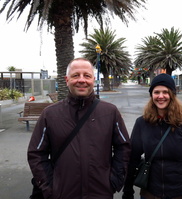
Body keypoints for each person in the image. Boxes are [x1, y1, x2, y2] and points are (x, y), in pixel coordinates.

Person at [28, 58, 131, 199]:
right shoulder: (50, 114)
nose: (81, 80)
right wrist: (50, 186)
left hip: (101, 193)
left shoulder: (110, 112)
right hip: (62, 194)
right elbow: (36, 153)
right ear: (67, 79)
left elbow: (124, 147)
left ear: (93, 79)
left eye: (87, 75)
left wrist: (114, 181)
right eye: (76, 75)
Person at [122, 73, 182, 199]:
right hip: (150, 193)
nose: (160, 96)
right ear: (152, 95)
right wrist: (127, 191)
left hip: (180, 193)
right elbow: (132, 159)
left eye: (165, 92)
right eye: (156, 92)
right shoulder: (142, 123)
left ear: (172, 95)